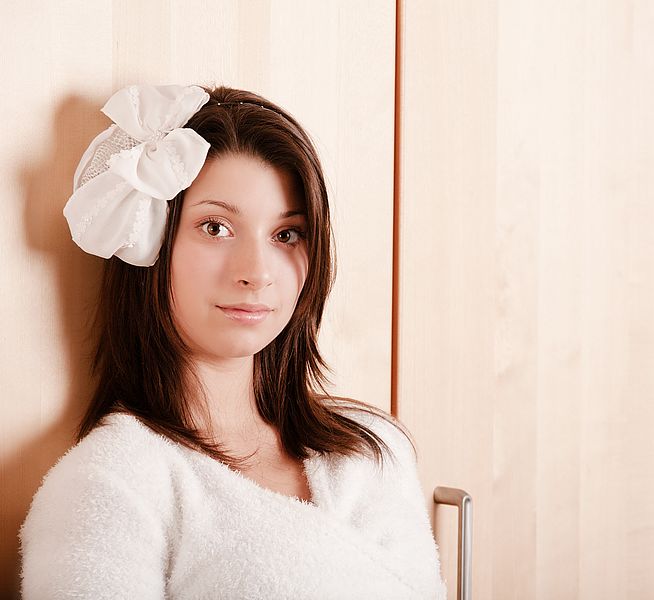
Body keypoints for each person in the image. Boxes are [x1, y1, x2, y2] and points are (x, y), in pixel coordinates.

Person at [19, 84, 447, 599]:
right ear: (149, 245)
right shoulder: (109, 484)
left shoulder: (373, 449)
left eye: (286, 234)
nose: (257, 273)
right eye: (216, 227)